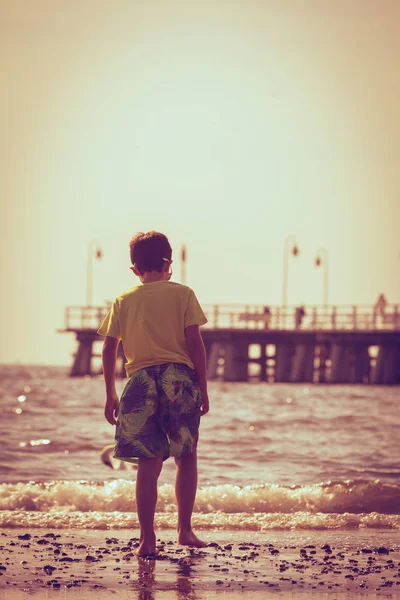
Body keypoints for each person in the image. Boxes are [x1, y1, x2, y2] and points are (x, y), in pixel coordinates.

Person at [97, 231, 209, 557]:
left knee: (148, 462)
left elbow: (108, 348)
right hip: (179, 379)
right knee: (185, 456)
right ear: (168, 264)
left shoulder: (124, 299)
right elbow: (195, 345)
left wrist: (110, 393)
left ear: (134, 269)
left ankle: (147, 539)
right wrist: (203, 386)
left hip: (139, 383)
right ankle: (185, 530)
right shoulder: (183, 294)